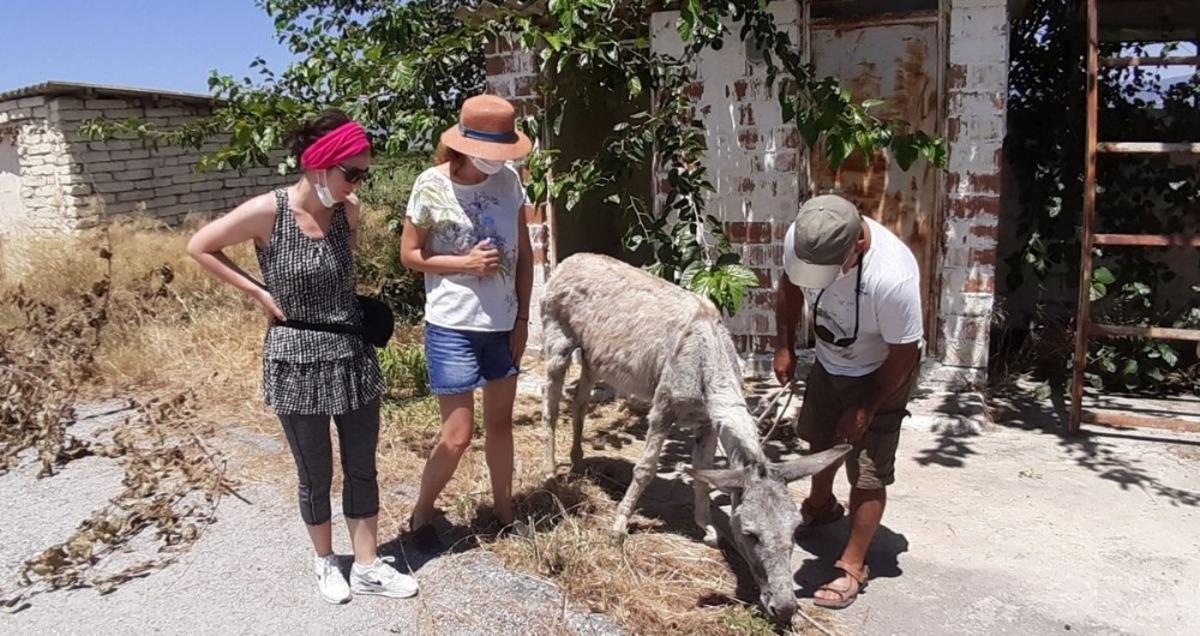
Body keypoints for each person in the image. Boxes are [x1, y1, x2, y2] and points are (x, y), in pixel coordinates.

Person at [186, 109, 418, 604]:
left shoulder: (348, 213)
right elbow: (200, 246)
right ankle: (325, 561)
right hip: (294, 358)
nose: (357, 184)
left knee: (362, 466)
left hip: (350, 354)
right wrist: (257, 292)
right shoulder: (268, 211)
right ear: (319, 163)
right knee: (315, 470)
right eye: (351, 172)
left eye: (363, 174)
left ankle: (368, 566)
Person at [772, 194, 923, 609]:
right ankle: (820, 508)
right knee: (820, 439)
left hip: (882, 370)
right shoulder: (805, 239)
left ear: (856, 245)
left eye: (824, 271)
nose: (815, 277)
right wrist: (784, 346)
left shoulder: (891, 277)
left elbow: (904, 354)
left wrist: (867, 407)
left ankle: (853, 564)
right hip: (830, 361)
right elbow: (788, 288)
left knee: (868, 470)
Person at [399, 94, 534, 551]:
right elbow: (410, 256)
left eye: (504, 153)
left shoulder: (511, 182)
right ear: (464, 144)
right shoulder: (430, 185)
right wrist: (463, 264)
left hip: (502, 324)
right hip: (452, 325)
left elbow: (525, 254)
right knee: (456, 435)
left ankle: (504, 512)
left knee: (501, 424)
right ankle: (420, 513)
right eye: (491, 153)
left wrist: (522, 317)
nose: (498, 162)